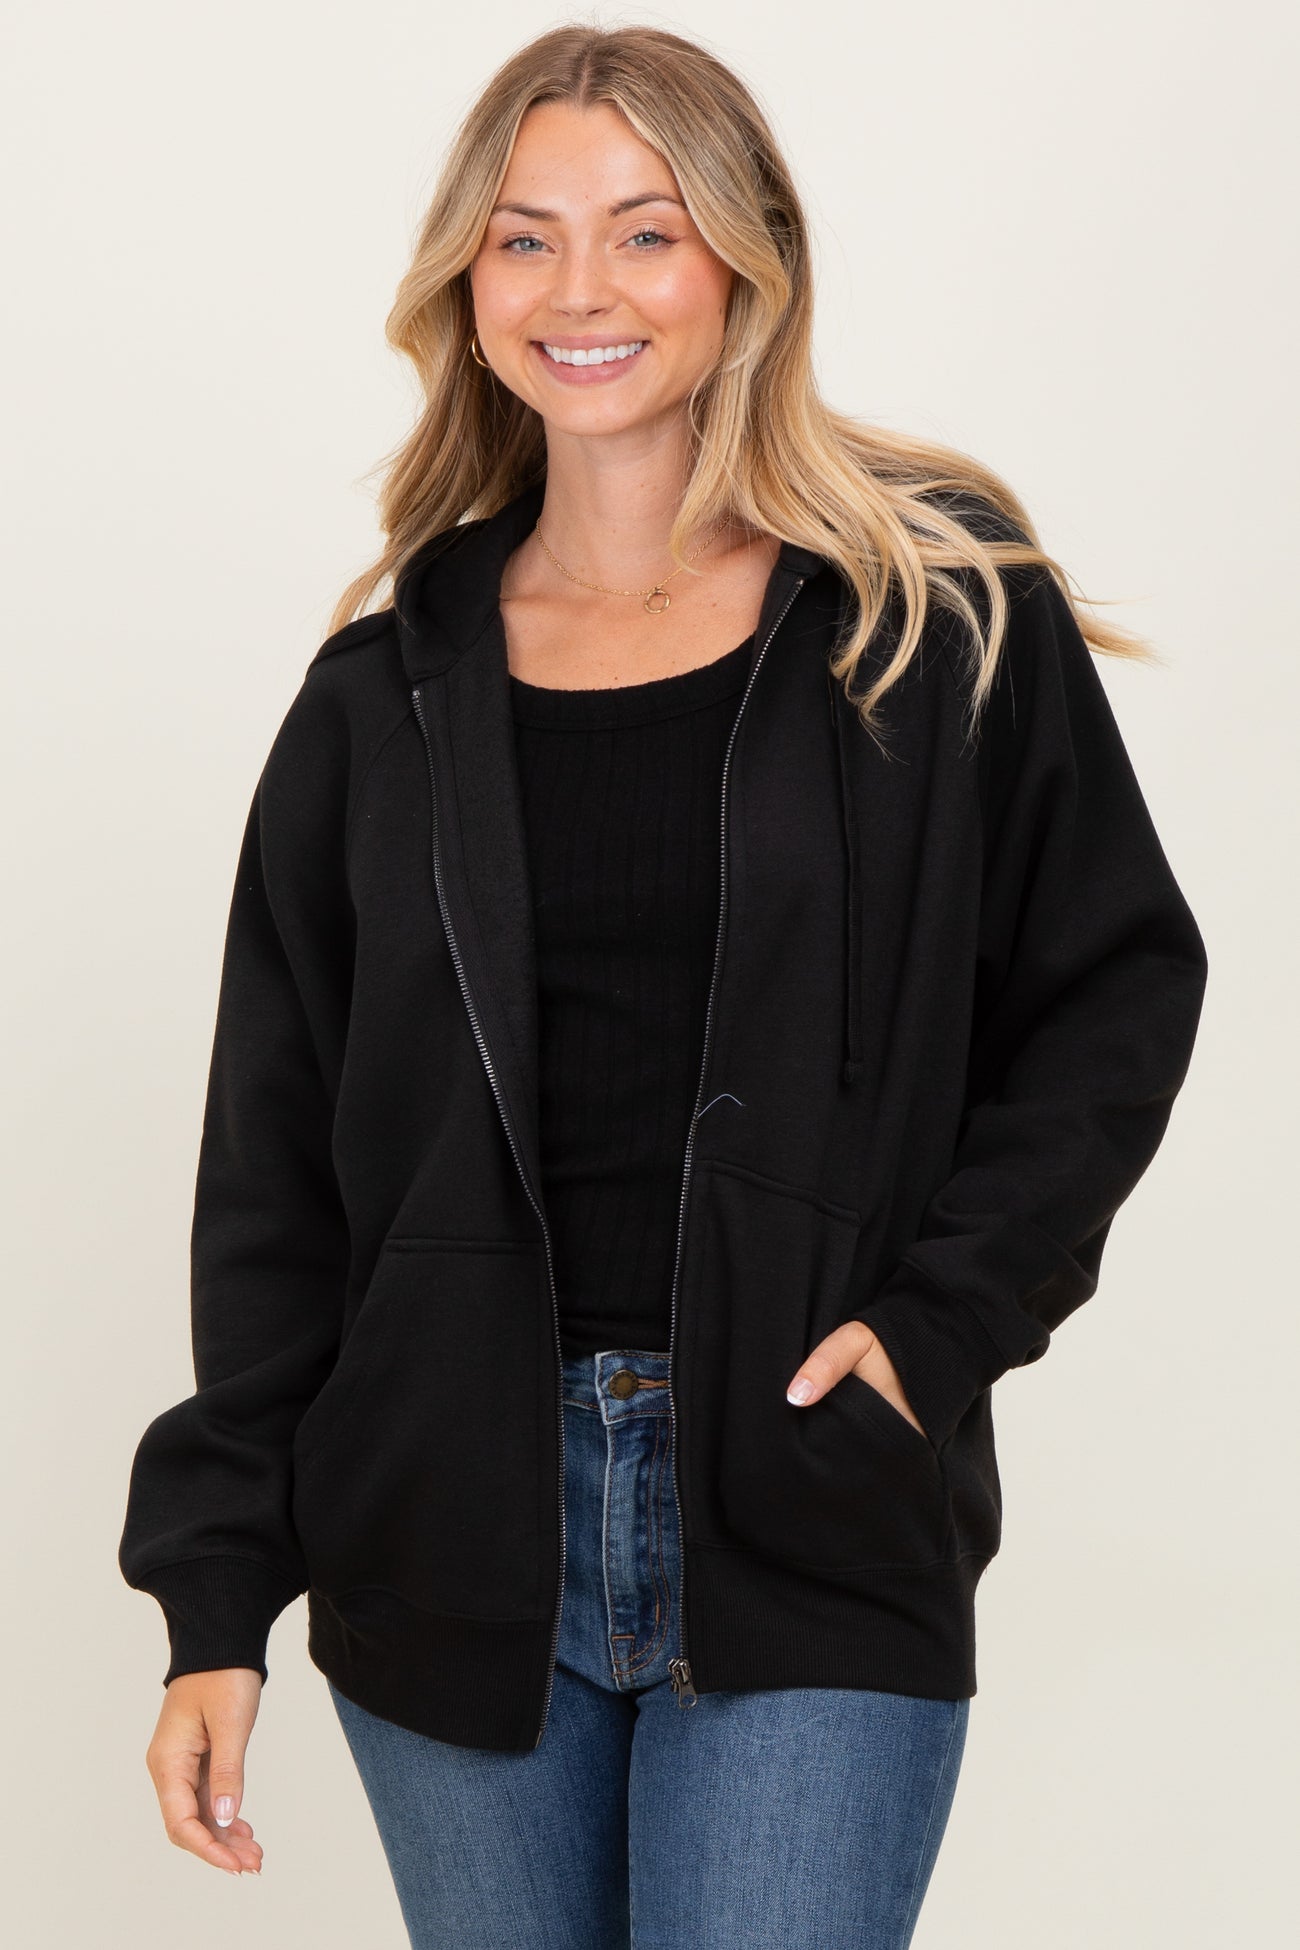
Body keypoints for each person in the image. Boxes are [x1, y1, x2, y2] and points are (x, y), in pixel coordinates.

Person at [118, 22, 1209, 1948]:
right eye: (524, 238)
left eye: (645, 229)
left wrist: (935, 1329)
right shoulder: (379, 701)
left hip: (809, 1494)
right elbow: (271, 1171)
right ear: (468, 286)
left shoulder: (931, 614)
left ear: (746, 259)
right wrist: (216, 1592)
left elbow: (1114, 992)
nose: (582, 290)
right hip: (446, 1524)